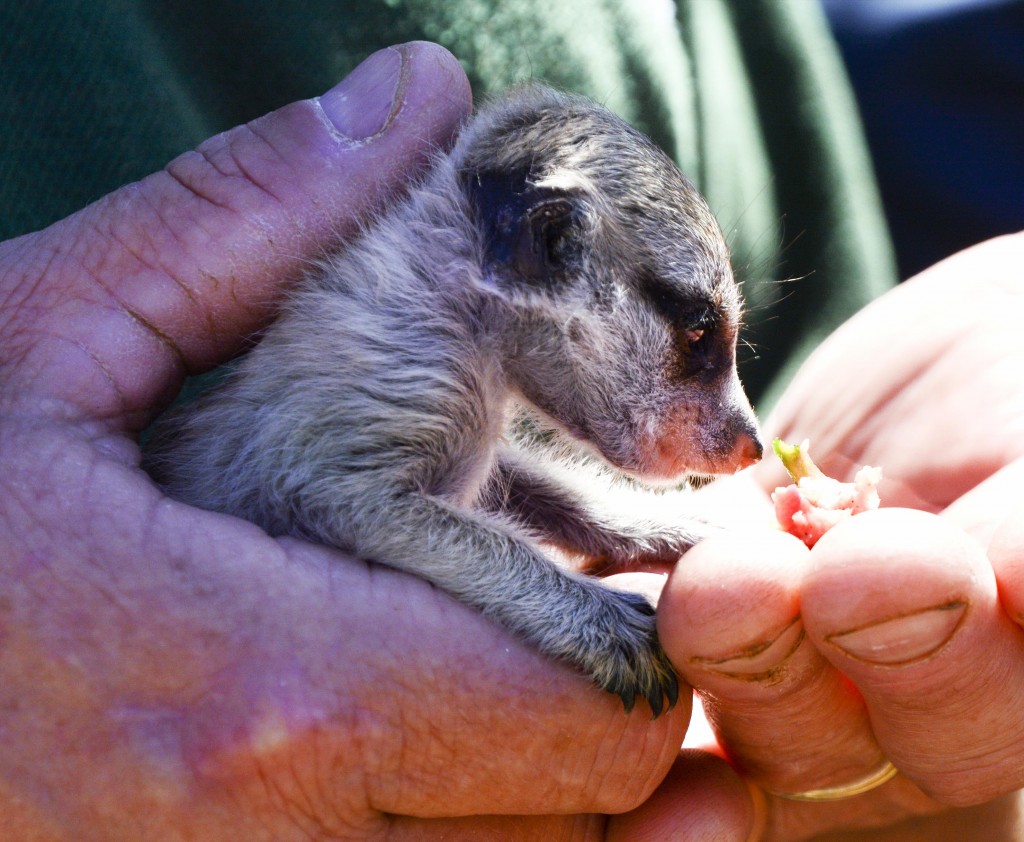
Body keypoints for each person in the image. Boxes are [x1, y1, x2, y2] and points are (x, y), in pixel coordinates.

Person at [2, 8, 1023, 842]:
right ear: (542, 247)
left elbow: (480, 483)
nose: (736, 430)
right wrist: (580, 617)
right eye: (695, 343)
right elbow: (346, 496)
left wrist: (679, 531)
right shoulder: (388, 326)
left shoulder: (468, 355)